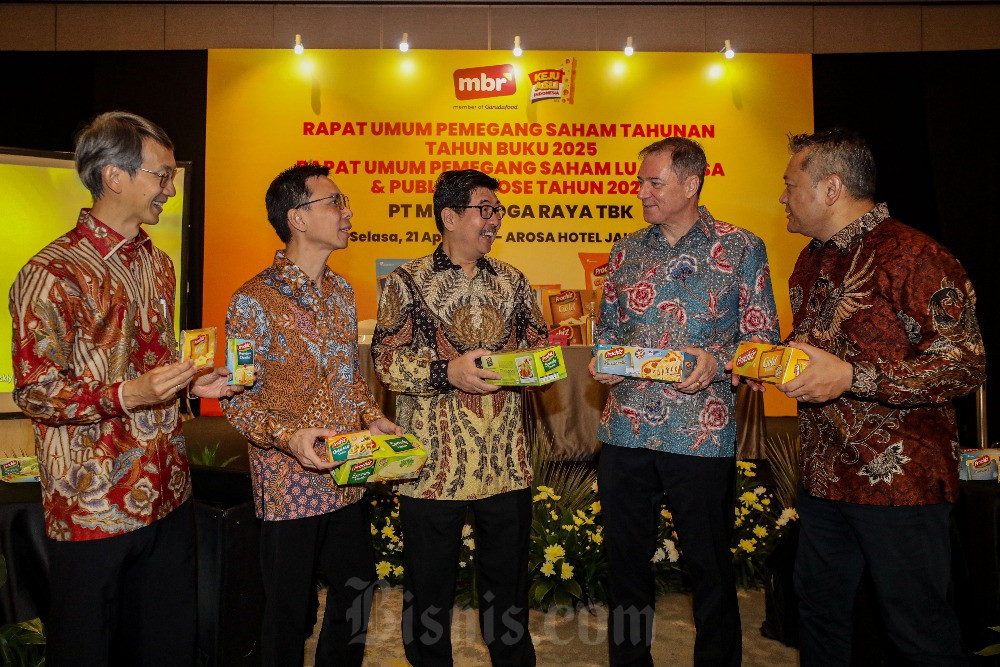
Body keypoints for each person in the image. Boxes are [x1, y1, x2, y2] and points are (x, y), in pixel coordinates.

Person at [8, 111, 239, 666]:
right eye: (162, 175)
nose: (170, 189)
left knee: (168, 644)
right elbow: (35, 391)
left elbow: (149, 362)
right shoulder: (51, 272)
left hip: (168, 492)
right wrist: (126, 395)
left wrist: (192, 382)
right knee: (87, 649)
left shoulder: (159, 264)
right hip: (93, 505)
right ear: (114, 176)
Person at [774, 128, 985, 664]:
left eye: (790, 184)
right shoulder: (809, 261)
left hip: (900, 486)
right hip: (823, 477)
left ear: (831, 188)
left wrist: (854, 378)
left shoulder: (915, 255)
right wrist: (777, 364)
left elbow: (965, 363)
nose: (782, 196)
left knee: (917, 631)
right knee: (817, 616)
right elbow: (821, 346)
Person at [590, 137, 780, 666]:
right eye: (640, 181)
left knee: (709, 568)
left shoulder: (741, 248)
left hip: (700, 434)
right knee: (626, 568)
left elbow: (764, 343)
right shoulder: (626, 250)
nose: (641, 192)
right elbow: (609, 332)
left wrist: (717, 361)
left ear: (691, 183)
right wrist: (605, 360)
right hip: (625, 431)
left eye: (654, 182)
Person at [221, 164, 400, 667]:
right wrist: (288, 437)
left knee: (358, 590)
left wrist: (371, 416)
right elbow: (237, 399)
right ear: (297, 218)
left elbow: (348, 376)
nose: (348, 213)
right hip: (288, 483)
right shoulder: (252, 301)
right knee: (286, 612)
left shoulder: (342, 293)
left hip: (345, 471)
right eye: (334, 202)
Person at [371, 169, 545, 666]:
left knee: (508, 591)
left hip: (504, 464)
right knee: (429, 593)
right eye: (484, 210)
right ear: (449, 217)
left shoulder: (513, 281)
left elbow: (541, 352)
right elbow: (385, 361)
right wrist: (448, 372)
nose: (495, 220)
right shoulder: (406, 282)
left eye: (497, 211)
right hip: (434, 468)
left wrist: (533, 366)